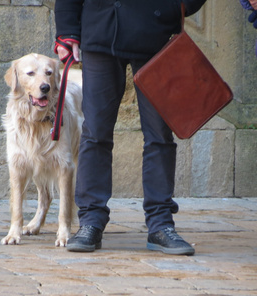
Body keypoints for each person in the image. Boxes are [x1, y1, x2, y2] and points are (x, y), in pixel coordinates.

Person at [54, 0, 206, 255]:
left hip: (155, 34)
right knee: (95, 134)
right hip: (100, 30)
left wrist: (171, 8)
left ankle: (160, 225)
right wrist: (67, 31)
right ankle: (90, 222)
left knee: (160, 135)